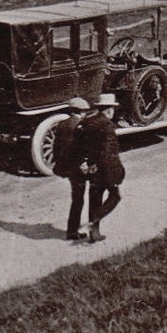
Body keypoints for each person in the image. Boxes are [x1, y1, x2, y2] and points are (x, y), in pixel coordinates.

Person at [76, 93, 126, 243]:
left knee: (94, 199)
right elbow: (109, 153)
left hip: (92, 168)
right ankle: (95, 220)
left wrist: (86, 164)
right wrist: (116, 172)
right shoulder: (108, 126)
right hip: (106, 169)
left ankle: (94, 234)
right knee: (115, 196)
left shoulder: (87, 122)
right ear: (110, 110)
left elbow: (79, 147)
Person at [57, 97, 90, 241]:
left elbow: (56, 148)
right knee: (78, 200)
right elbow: (82, 149)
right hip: (79, 168)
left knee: (76, 198)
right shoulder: (81, 125)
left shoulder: (62, 125)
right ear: (81, 111)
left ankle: (73, 230)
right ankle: (72, 231)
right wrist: (84, 163)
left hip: (68, 167)